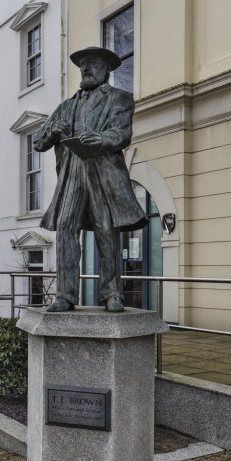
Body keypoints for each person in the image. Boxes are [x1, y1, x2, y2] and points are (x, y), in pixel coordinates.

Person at [32, 46, 147, 313]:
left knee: (106, 231)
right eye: (82, 64)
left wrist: (102, 139)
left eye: (92, 63)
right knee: (65, 227)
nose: (85, 68)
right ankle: (65, 294)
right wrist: (52, 130)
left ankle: (112, 293)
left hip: (103, 172)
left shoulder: (120, 98)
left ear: (107, 69)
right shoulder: (67, 106)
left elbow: (122, 134)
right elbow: (38, 142)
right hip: (72, 173)